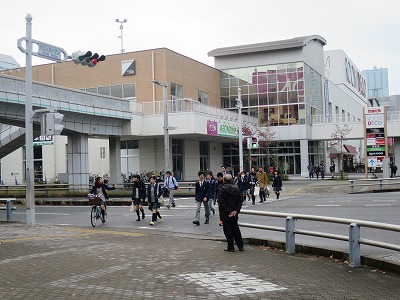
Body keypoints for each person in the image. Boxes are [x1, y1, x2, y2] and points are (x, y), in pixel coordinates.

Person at [218, 173, 244, 252]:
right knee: (236, 229)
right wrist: (236, 210)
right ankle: (240, 246)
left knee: (228, 231)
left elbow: (221, 202)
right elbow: (240, 200)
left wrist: (228, 211)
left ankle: (231, 247)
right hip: (234, 213)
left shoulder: (221, 189)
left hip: (225, 214)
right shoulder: (236, 189)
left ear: (224, 180)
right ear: (232, 180)